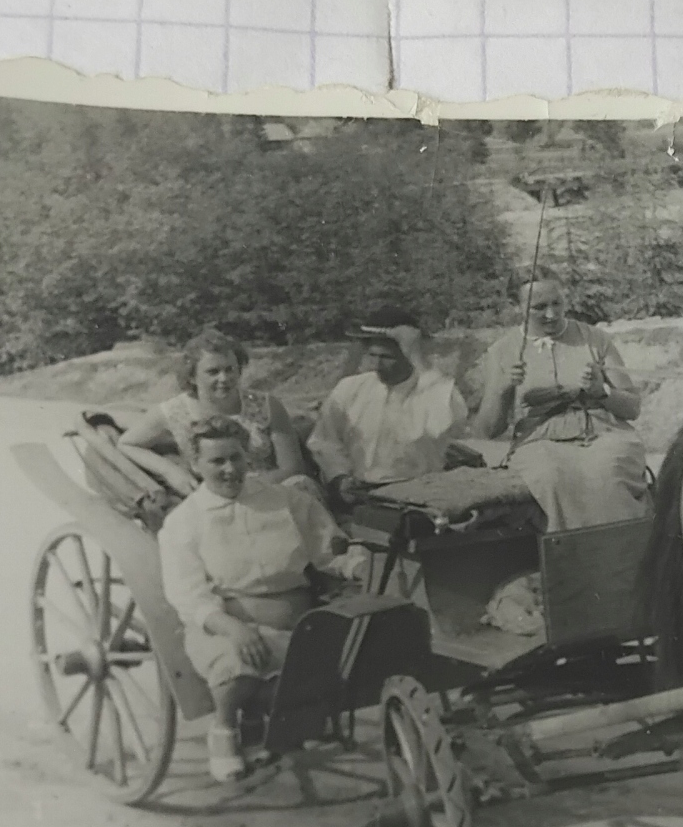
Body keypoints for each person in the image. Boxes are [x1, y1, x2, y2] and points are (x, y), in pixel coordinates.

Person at [157, 418, 353, 783]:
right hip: (223, 628)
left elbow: (329, 551)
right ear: (195, 464)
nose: (229, 469)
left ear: (247, 457)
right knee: (237, 667)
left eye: (235, 457)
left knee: (320, 676)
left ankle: (270, 721)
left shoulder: (285, 501)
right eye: (217, 461)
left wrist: (354, 564)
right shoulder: (185, 522)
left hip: (297, 626)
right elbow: (188, 595)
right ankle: (224, 730)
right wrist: (234, 629)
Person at [472, 277, 651, 529]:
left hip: (603, 434)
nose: (551, 314)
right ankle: (568, 550)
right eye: (539, 307)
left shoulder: (595, 339)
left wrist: (602, 391)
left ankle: (624, 548)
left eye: (557, 303)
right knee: (550, 477)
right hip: (539, 441)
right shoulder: (502, 351)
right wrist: (502, 388)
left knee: (609, 472)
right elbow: (487, 431)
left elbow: (632, 408)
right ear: (516, 306)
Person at [305, 309, 472, 508]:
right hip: (358, 494)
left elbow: (444, 423)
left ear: (407, 355)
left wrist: (417, 356)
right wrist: (339, 477)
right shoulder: (350, 388)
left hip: (419, 496)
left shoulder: (433, 390)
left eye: (387, 357)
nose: (377, 365)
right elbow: (324, 441)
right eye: (372, 355)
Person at [120, 329, 313, 490]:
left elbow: (292, 468)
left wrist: (245, 489)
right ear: (192, 377)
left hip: (267, 489)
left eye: (230, 369)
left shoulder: (266, 405)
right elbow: (127, 443)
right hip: (211, 496)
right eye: (213, 372)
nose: (224, 378)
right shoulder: (173, 411)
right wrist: (170, 471)